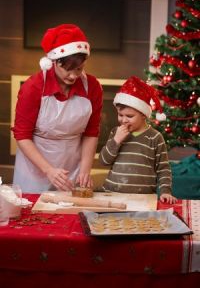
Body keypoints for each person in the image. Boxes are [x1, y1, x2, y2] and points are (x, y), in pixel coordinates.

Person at [12, 24, 103, 193]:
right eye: (67, 69)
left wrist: (85, 169)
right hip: (35, 167)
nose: (73, 76)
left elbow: (91, 132)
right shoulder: (33, 87)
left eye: (79, 69)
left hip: (72, 165)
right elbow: (22, 135)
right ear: (53, 62)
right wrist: (48, 170)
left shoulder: (92, 87)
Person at [99, 76, 177, 204]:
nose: (123, 120)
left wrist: (165, 191)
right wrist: (116, 141)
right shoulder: (115, 133)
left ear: (143, 114)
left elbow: (163, 169)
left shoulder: (155, 137)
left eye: (129, 116)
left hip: (143, 198)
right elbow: (104, 161)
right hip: (112, 194)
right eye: (120, 115)